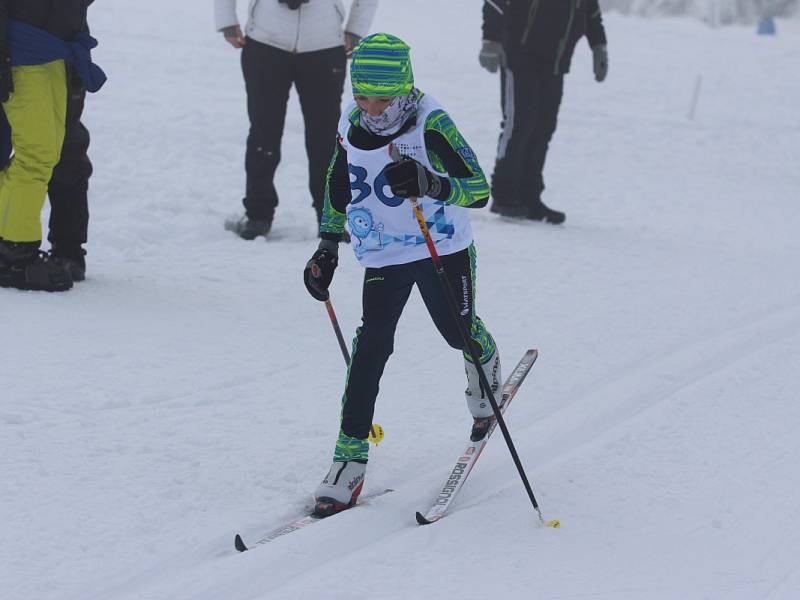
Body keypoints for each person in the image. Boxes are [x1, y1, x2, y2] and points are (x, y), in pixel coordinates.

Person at [302, 33, 503, 516]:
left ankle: (485, 363)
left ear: (404, 89)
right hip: (384, 253)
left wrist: (430, 182)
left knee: (456, 332)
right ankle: (349, 459)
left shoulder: (429, 122)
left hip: (441, 247)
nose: (371, 108)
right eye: (362, 95)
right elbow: (338, 183)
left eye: (382, 97)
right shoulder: (353, 124)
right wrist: (328, 246)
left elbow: (479, 189)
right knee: (371, 346)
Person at [215, 0, 378, 240]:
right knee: (263, 134)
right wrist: (226, 20)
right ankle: (258, 216)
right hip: (266, 41)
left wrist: (356, 29)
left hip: (323, 46)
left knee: (325, 139)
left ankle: (330, 219)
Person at [0, 0, 102, 291]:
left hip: (56, 50)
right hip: (19, 50)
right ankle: (15, 252)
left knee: (51, 151)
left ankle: (18, 247)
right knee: (36, 154)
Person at [479, 0, 608, 224]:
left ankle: (529, 196)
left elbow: (591, 11)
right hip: (518, 54)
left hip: (555, 61)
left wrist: (599, 46)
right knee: (519, 122)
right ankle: (504, 193)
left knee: (543, 126)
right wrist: (490, 40)